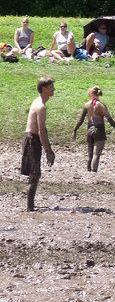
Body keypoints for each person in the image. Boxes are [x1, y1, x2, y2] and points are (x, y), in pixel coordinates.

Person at [21, 77, 56, 211]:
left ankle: (31, 205)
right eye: (51, 87)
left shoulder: (38, 102)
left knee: (34, 173)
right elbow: (41, 131)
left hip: (31, 138)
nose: (54, 89)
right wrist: (49, 151)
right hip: (32, 139)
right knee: (35, 173)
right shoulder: (41, 107)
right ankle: (30, 208)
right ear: (44, 89)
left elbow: (42, 130)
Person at [73, 86, 115, 172]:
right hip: (99, 129)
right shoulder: (101, 105)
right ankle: (94, 174)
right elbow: (110, 119)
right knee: (96, 155)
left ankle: (88, 174)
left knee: (90, 156)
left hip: (90, 129)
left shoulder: (86, 105)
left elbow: (80, 120)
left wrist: (75, 130)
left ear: (90, 94)